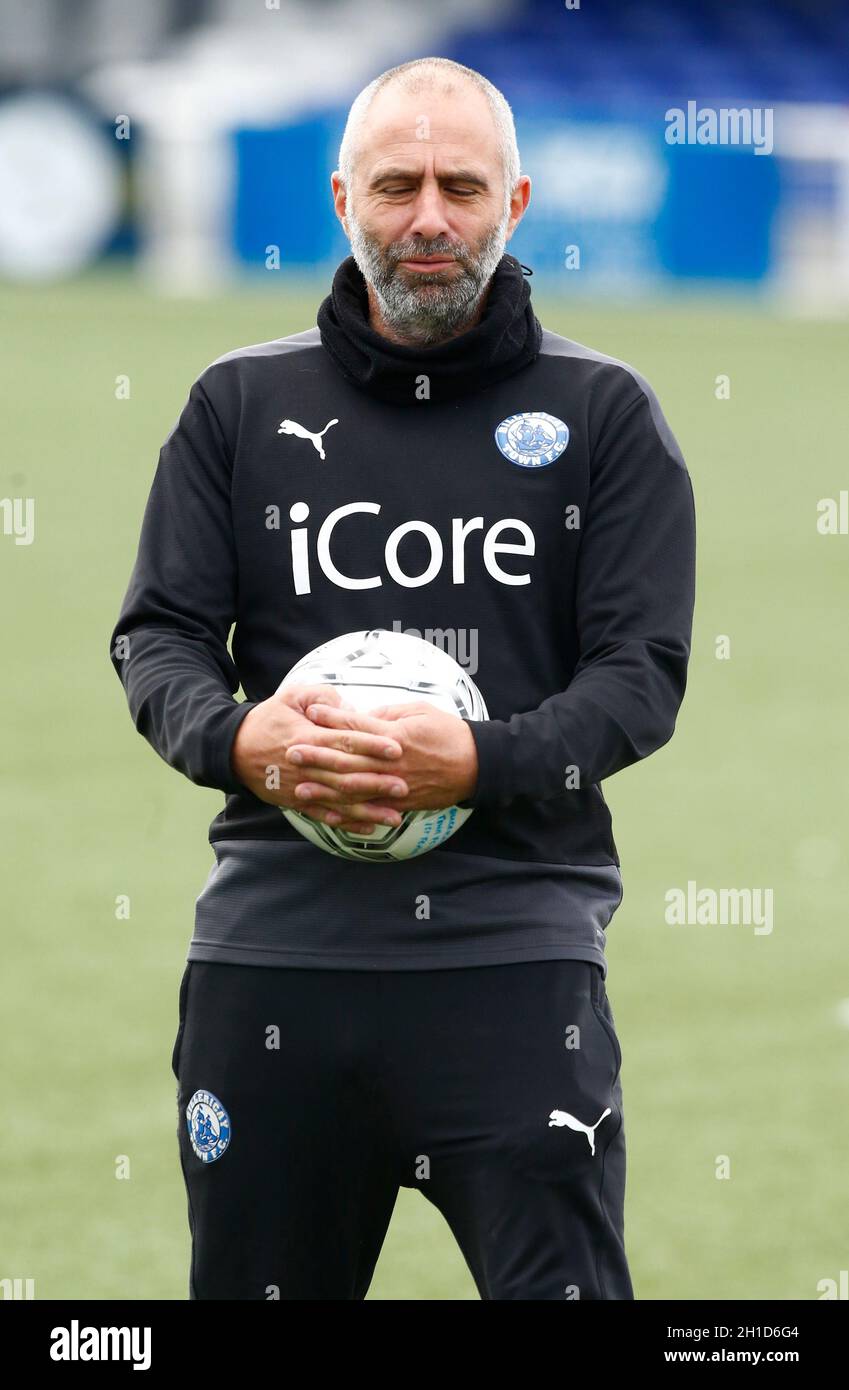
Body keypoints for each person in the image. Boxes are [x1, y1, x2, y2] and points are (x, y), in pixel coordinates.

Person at [110, 56, 696, 1300]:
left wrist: (481, 762)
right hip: (275, 961)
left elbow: (640, 677)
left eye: (460, 187)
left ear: (516, 203)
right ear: (341, 201)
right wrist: (241, 742)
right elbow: (156, 635)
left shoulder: (604, 416)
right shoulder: (236, 404)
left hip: (516, 962)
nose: (429, 219)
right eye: (396, 186)